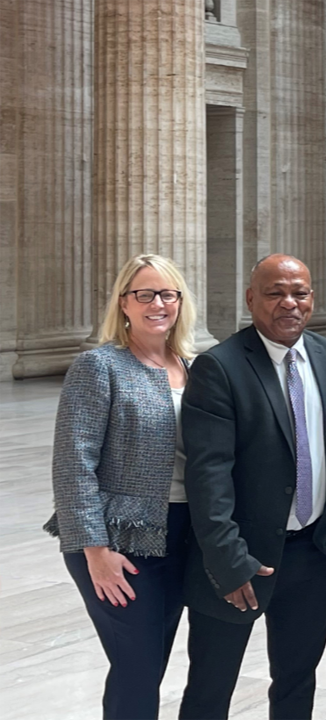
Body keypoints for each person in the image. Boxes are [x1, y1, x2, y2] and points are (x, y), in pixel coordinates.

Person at [179, 254, 326, 719]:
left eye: (300, 292)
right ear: (250, 299)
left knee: (297, 682)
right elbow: (208, 475)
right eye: (275, 292)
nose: (289, 303)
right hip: (241, 559)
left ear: (312, 298)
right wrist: (228, 561)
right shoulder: (219, 368)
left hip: (313, 552)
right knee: (210, 688)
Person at [45, 255, 196, 720]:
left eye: (167, 294)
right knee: (137, 666)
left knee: (150, 666)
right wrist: (95, 550)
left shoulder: (195, 366)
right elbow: (73, 464)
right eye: (143, 294)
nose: (157, 304)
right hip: (118, 542)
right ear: (123, 303)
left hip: (183, 533)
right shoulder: (99, 366)